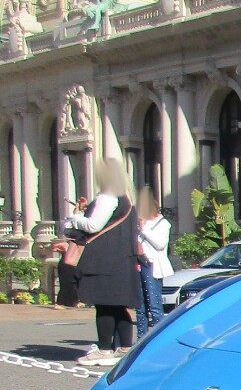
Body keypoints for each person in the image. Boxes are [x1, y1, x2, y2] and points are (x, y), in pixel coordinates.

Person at [65, 157, 139, 367]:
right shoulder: (127, 199)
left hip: (103, 260)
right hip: (122, 259)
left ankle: (105, 350)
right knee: (118, 306)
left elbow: (93, 225)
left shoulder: (107, 196)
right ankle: (125, 348)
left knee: (104, 306)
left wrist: (74, 218)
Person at [134, 186, 172, 336]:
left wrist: (144, 230)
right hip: (138, 263)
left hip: (152, 264)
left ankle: (157, 337)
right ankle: (141, 337)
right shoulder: (139, 223)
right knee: (140, 306)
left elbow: (160, 244)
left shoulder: (163, 224)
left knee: (154, 304)